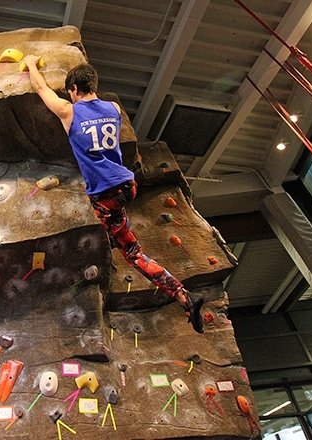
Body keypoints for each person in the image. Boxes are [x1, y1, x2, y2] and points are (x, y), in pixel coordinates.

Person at [23, 55, 204, 333]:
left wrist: (32, 64)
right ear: (93, 85)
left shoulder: (68, 111)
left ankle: (182, 295)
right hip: (124, 185)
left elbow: (40, 88)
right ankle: (175, 291)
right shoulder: (114, 109)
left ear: (73, 90)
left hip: (105, 193)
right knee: (109, 232)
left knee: (133, 252)